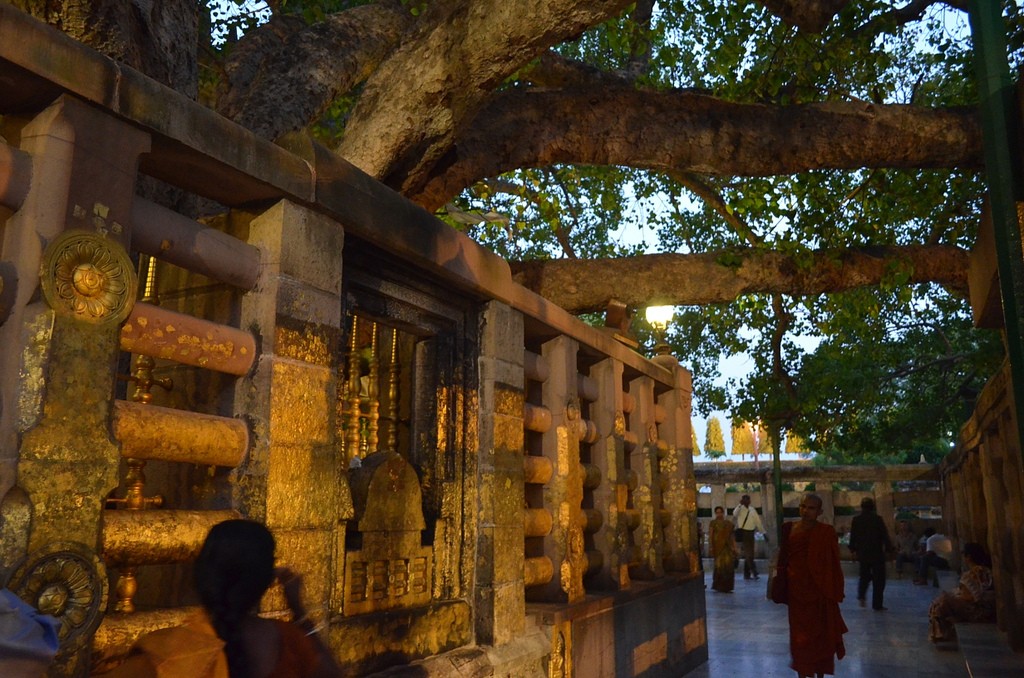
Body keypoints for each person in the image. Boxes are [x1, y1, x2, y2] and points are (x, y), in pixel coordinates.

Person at [101, 519, 343, 678]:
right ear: (268, 579)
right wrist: (299, 611)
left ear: (201, 574)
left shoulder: (169, 653)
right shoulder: (287, 640)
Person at [776, 493, 847, 678]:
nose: (806, 511)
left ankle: (820, 673)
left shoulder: (826, 532)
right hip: (797, 591)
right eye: (803, 507)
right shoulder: (789, 529)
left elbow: (832, 564)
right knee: (799, 637)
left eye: (811, 508)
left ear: (820, 511)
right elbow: (783, 559)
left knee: (820, 635)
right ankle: (802, 673)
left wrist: (834, 590)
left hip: (819, 591)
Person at [928, 542, 996, 643]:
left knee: (942, 602)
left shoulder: (972, 573)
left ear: (968, 557)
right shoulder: (986, 570)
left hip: (978, 610)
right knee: (943, 600)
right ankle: (942, 632)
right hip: (987, 609)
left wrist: (952, 596)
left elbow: (970, 597)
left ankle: (941, 633)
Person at [848, 497, 894, 611]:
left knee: (864, 576)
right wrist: (889, 550)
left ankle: (862, 596)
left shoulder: (856, 520)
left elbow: (853, 536)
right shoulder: (877, 519)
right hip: (876, 553)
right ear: (872, 507)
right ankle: (877, 604)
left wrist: (853, 550)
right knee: (879, 580)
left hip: (863, 553)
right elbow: (884, 536)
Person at [731, 494, 766, 580]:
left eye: (747, 499)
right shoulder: (739, 509)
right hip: (743, 532)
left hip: (750, 533)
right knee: (746, 553)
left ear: (750, 501)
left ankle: (747, 573)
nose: (746, 501)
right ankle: (754, 571)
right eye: (744, 499)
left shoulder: (752, 510)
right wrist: (740, 504)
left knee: (750, 554)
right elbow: (734, 514)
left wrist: (763, 532)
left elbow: (758, 522)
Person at [709, 506, 738, 593]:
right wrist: (711, 546)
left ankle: (727, 586)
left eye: (720, 512)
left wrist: (735, 547)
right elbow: (711, 535)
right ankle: (718, 586)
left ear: (723, 513)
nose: (719, 514)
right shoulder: (713, 523)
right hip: (718, 548)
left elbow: (732, 537)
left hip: (727, 547)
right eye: (717, 512)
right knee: (719, 567)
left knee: (728, 567)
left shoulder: (728, 524)